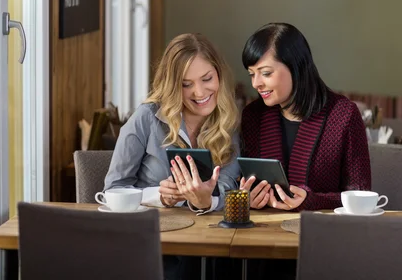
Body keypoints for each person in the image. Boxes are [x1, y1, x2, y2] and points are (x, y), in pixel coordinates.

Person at [103, 33, 240, 280]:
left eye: (207, 78)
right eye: (186, 84)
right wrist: (160, 196)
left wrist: (205, 199)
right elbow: (114, 188)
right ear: (172, 85)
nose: (199, 92)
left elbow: (229, 186)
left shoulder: (228, 120)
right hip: (152, 248)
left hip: (211, 245)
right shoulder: (146, 118)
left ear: (218, 73)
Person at [239, 23, 372, 211]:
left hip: (322, 232)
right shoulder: (253, 116)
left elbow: (361, 194)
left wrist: (313, 201)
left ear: (295, 67)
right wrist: (249, 199)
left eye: (266, 73)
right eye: (252, 74)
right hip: (265, 231)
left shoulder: (343, 115)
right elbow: (242, 183)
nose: (256, 83)